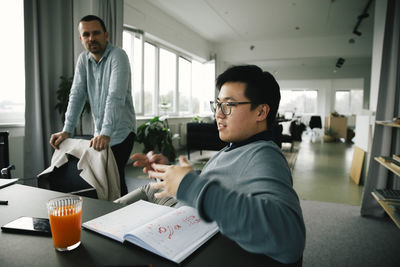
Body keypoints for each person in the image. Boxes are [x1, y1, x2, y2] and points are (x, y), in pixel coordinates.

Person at [129, 65, 305, 264]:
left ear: (261, 112)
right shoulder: (237, 146)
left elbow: (290, 239)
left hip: (190, 223)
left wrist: (190, 185)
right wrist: (170, 171)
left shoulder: (265, 157)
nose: (218, 115)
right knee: (145, 191)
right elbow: (222, 179)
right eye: (218, 105)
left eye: (228, 105)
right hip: (185, 211)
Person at [50, 15, 136, 196]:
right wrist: (67, 130)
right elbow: (76, 95)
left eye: (96, 33)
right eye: (86, 34)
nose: (91, 38)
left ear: (106, 35)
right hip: (101, 133)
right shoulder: (83, 60)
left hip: (121, 132)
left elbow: (115, 96)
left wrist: (105, 132)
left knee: (115, 179)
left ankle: (124, 216)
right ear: (81, 39)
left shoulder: (118, 56)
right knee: (102, 181)